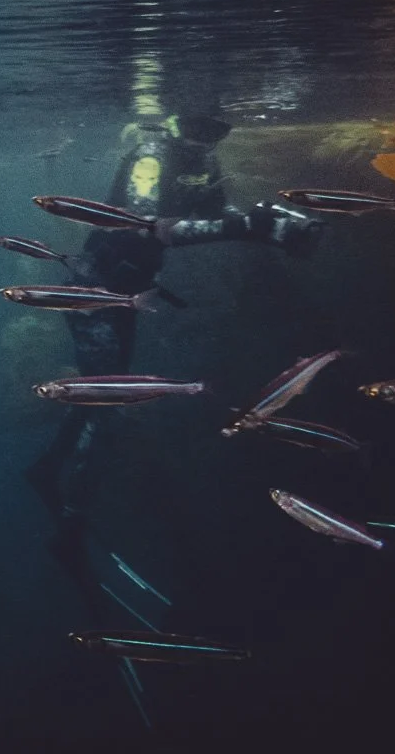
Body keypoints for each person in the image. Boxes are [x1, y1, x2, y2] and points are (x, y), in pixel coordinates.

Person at [26, 112, 323, 611]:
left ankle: (49, 472)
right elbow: (151, 226)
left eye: (218, 132)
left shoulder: (201, 161)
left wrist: (260, 221)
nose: (208, 141)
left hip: (124, 290)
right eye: (201, 129)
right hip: (94, 292)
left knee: (106, 397)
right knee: (105, 400)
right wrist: (251, 227)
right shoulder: (151, 158)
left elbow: (213, 213)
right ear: (181, 122)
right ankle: (69, 519)